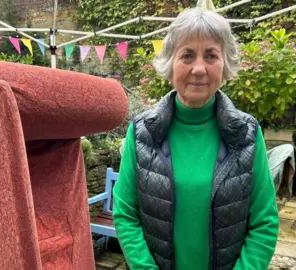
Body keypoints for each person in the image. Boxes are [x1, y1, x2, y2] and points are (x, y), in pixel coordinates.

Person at [112, 8, 279, 270]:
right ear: (170, 64)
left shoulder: (247, 133)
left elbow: (264, 221)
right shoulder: (142, 132)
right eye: (187, 55)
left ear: (224, 65)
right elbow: (125, 213)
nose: (199, 69)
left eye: (211, 55)